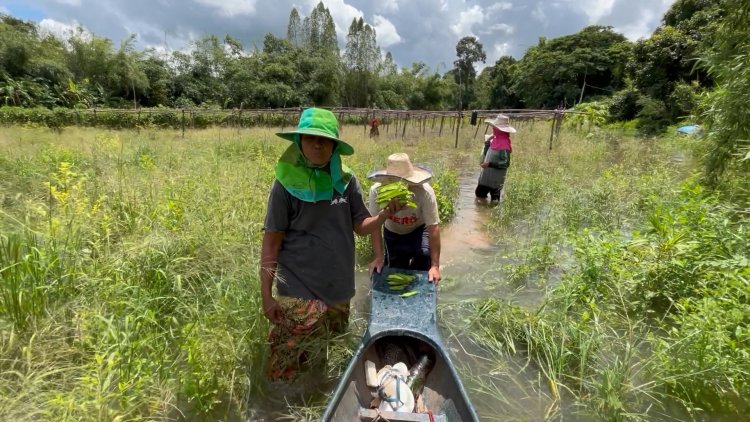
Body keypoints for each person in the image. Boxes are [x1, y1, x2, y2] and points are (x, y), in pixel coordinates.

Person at [260, 107, 402, 381]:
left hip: (338, 289)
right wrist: (266, 295)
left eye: (325, 140)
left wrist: (383, 215)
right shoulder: (285, 185)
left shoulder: (346, 182)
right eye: (310, 138)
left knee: (328, 355)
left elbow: (360, 226)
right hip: (298, 290)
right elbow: (271, 243)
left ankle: (320, 398)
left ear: (334, 146)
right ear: (298, 141)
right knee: (286, 364)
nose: (317, 144)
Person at [367, 153, 441, 284]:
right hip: (393, 233)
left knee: (424, 257)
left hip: (419, 230)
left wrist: (435, 266)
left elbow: (433, 228)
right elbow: (375, 226)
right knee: (397, 270)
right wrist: (378, 257)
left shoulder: (424, 192)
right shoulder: (377, 192)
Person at [475, 114, 516, 203]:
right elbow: (486, 155)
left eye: (495, 128)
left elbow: (506, 163)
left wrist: (490, 164)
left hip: (496, 180)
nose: (493, 129)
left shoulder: (505, 145)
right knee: (479, 195)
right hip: (485, 177)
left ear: (500, 130)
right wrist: (487, 143)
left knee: (494, 201)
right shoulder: (493, 140)